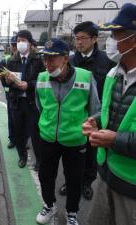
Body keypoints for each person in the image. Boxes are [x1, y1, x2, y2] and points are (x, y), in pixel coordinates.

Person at [35, 38, 100, 225]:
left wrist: (88, 125)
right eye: (44, 58)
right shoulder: (41, 78)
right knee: (45, 175)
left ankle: (72, 212)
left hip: (75, 139)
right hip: (47, 137)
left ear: (65, 58)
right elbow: (41, 107)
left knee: (74, 179)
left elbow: (95, 109)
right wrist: (50, 123)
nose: (47, 63)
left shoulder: (85, 77)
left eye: (52, 58)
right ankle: (49, 205)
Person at [84, 3, 136, 225]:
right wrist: (94, 121)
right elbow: (108, 110)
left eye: (117, 35)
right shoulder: (114, 73)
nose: (111, 41)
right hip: (106, 173)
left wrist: (114, 139)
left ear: (133, 39)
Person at [58, 21, 116, 200]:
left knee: (91, 152)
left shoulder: (106, 61)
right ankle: (70, 181)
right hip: (72, 116)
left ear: (94, 39)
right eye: (76, 38)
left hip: (95, 116)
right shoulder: (70, 60)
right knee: (71, 153)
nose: (79, 42)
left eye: (83, 38)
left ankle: (87, 182)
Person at [5, 29, 45, 169]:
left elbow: (43, 81)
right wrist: (9, 81)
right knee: (18, 133)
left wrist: (29, 85)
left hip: (32, 103)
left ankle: (39, 160)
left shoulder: (38, 60)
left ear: (29, 43)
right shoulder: (12, 60)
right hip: (16, 102)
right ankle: (22, 157)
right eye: (18, 40)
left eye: (23, 40)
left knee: (35, 134)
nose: (20, 43)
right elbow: (6, 82)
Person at [0, 36, 17, 149]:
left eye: (16, 44)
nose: (15, 47)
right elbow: (1, 78)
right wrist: (8, 88)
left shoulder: (25, 60)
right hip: (11, 93)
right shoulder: (5, 60)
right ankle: (12, 139)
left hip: (23, 93)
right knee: (12, 116)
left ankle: (23, 140)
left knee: (24, 118)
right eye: (13, 45)